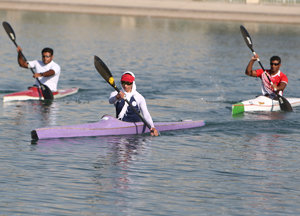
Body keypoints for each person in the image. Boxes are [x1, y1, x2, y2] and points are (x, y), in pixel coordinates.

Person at [109, 71, 159, 136]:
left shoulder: (139, 97)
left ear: (132, 83)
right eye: (123, 82)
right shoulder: (115, 93)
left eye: (128, 83)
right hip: (120, 126)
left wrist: (152, 127)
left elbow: (146, 114)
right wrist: (117, 97)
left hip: (135, 131)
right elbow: (110, 101)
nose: (125, 85)